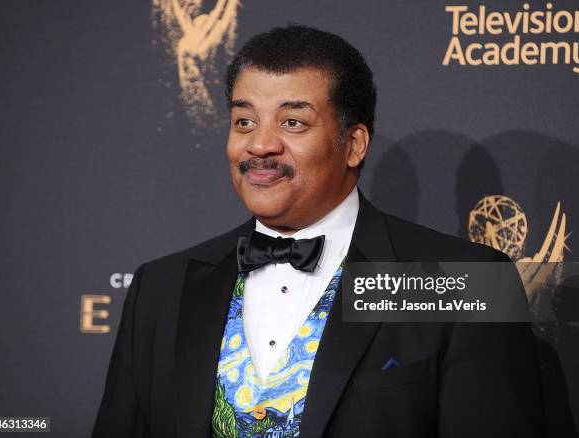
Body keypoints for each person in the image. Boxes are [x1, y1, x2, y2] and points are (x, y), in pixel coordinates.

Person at [92, 24, 543, 437]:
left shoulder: (462, 282)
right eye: (244, 121)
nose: (260, 144)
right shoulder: (162, 288)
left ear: (353, 144)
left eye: (293, 122)